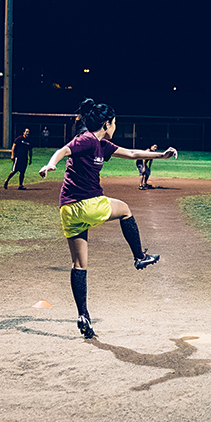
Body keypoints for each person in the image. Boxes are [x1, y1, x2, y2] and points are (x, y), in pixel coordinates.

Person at [39, 99, 178, 339]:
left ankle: (83, 316)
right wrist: (51, 164)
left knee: (80, 265)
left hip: (68, 209)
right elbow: (64, 150)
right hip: (86, 204)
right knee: (124, 209)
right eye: (114, 123)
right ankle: (140, 257)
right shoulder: (88, 140)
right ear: (106, 123)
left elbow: (133, 153)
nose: (115, 127)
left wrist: (161, 155)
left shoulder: (102, 144)